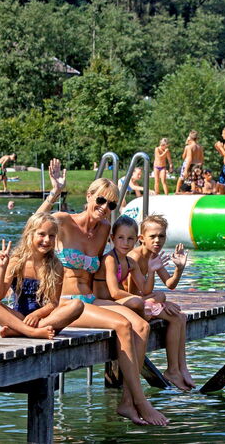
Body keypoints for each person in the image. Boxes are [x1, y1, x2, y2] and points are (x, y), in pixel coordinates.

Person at [37, 158, 169, 426]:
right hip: (66, 302)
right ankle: (142, 401)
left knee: (142, 326)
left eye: (110, 204)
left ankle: (127, 402)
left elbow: (122, 256)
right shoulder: (63, 221)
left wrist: (145, 281)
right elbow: (33, 225)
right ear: (88, 196)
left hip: (91, 299)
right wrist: (55, 192)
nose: (104, 207)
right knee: (122, 325)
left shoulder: (105, 229)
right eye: (100, 200)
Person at [0, 213, 84, 339]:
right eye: (42, 234)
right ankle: (31, 332)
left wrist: (37, 315)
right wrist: (1, 267)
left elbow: (53, 303)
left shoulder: (56, 265)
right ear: (29, 234)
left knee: (77, 305)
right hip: (18, 317)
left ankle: (19, 331)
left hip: (44, 319)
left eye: (51, 236)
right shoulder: (16, 261)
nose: (47, 240)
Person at [128, 215, 194, 391]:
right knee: (173, 315)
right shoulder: (134, 257)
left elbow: (170, 284)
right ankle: (173, 370)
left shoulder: (154, 255)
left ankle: (181, 367)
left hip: (143, 300)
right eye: (153, 236)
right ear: (142, 238)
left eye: (161, 236)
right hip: (130, 304)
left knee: (181, 317)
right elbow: (133, 294)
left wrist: (179, 269)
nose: (157, 240)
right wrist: (160, 302)